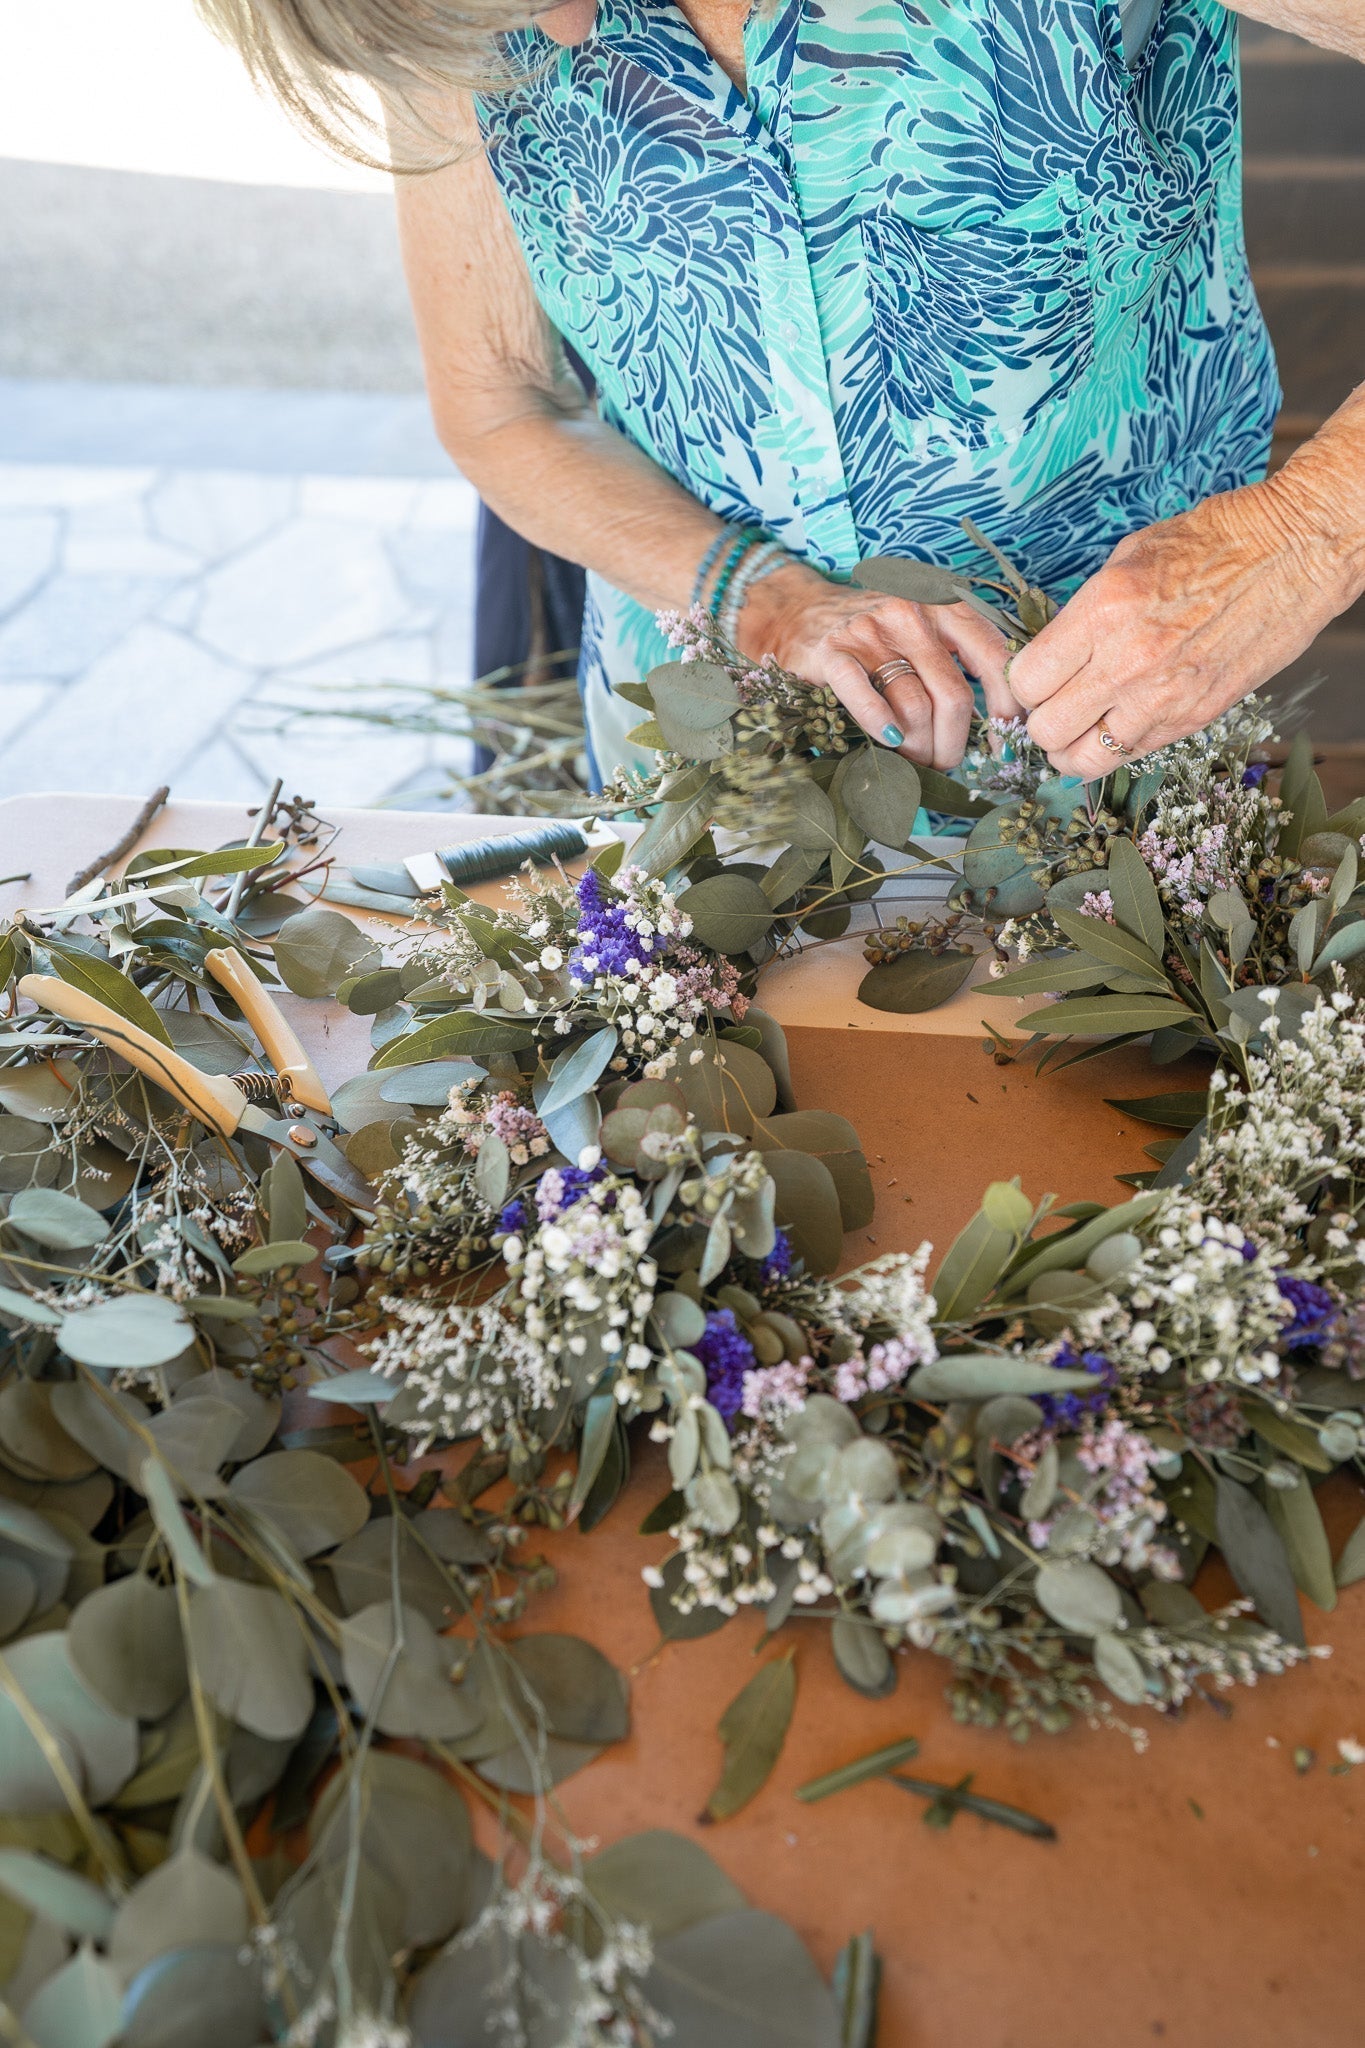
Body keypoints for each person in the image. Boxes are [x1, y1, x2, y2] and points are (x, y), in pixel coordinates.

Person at [201, 0, 1365, 789]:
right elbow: (500, 404)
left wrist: (1308, 535)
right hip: (706, 784)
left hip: (1123, 747)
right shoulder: (470, 24)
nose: (562, 38)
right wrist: (764, 602)